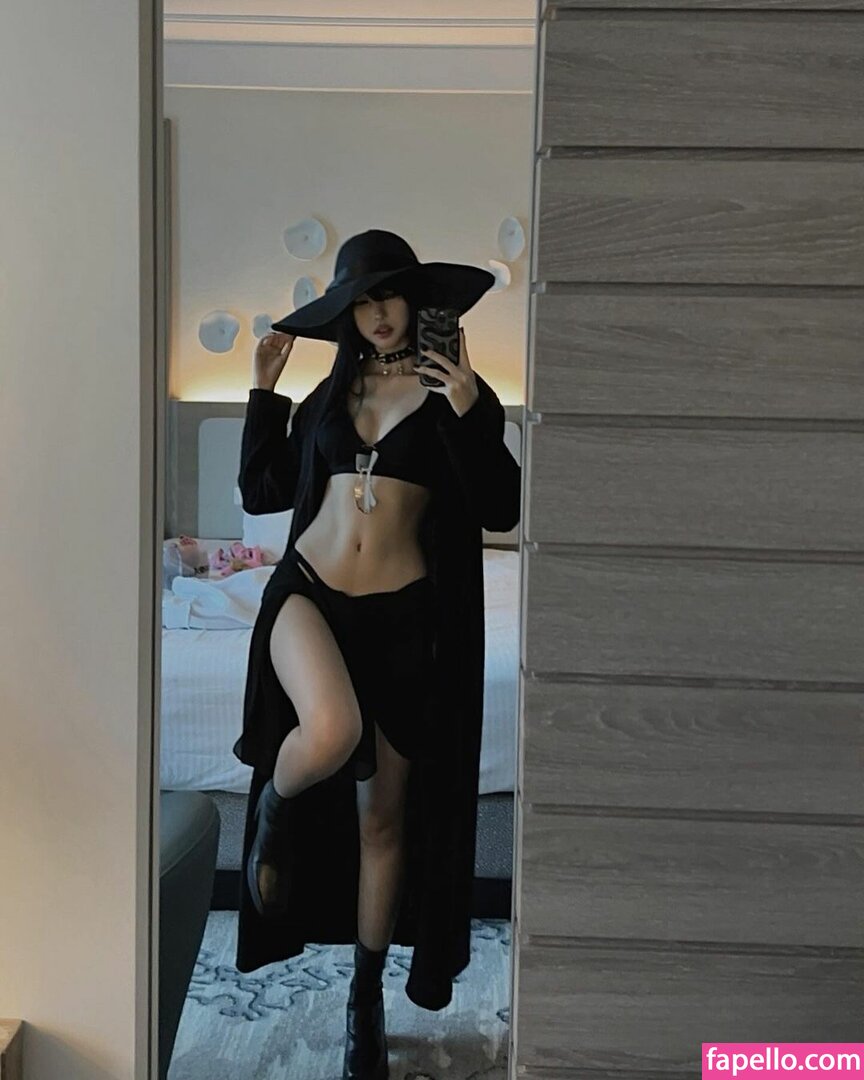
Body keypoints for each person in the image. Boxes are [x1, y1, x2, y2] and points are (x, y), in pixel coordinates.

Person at [232, 229, 521, 1079]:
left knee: (383, 821)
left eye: (389, 294)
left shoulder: (456, 394)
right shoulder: (329, 395)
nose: (378, 313)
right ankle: (275, 812)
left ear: (417, 301)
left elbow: (501, 508)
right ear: (346, 316)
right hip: (309, 592)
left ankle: (365, 998)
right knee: (329, 730)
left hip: (404, 621)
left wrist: (470, 407)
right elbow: (262, 490)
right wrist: (263, 392)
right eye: (361, 301)